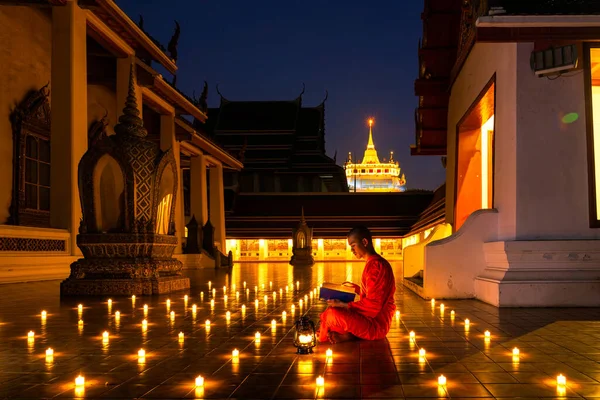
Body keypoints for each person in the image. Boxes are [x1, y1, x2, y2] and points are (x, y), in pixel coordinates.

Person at [318, 226, 396, 344]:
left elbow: (374, 305)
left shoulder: (376, 266)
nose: (352, 250)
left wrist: (344, 304)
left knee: (331, 314)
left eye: (353, 245)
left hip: (376, 324)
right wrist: (357, 289)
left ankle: (321, 338)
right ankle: (350, 335)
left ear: (364, 242)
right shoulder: (374, 263)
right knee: (334, 314)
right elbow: (375, 294)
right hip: (371, 319)